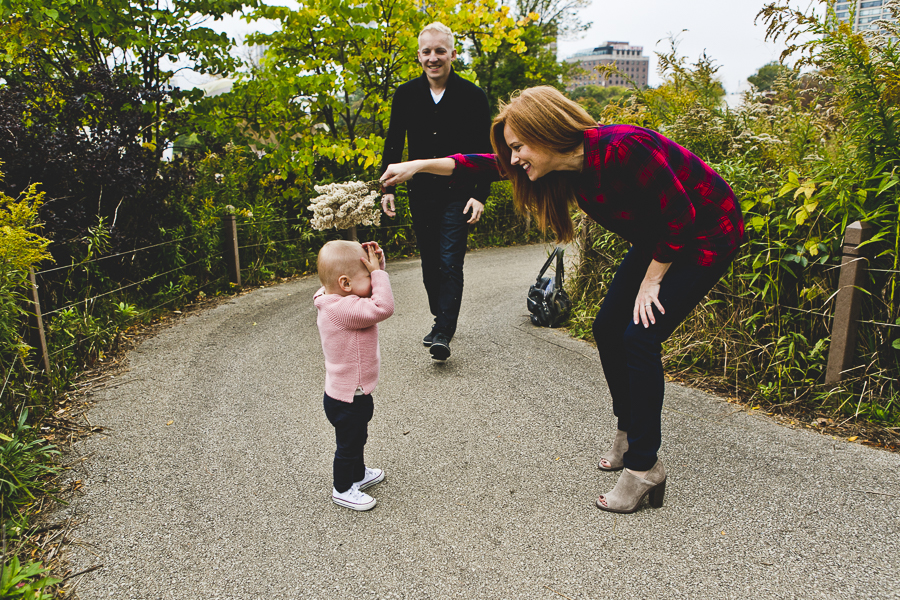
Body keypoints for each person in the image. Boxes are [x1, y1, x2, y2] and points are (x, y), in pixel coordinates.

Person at [380, 86, 746, 514]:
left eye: (519, 146)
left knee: (640, 337)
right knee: (607, 328)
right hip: (659, 237)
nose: (514, 158)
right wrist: (418, 165)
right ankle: (629, 433)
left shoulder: (627, 147)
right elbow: (483, 163)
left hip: (706, 233)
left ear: (545, 132)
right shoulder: (567, 169)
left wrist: (653, 281)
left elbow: (681, 214)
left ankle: (645, 467)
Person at [379, 21, 492, 362]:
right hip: (421, 193)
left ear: (452, 54)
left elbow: (486, 153)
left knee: (448, 261)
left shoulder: (473, 96)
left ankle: (444, 329)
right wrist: (387, 189)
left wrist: (480, 195)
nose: (433, 58)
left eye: (440, 51)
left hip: (459, 191)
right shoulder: (406, 95)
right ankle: (440, 315)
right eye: (427, 51)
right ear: (418, 56)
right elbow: (394, 141)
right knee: (430, 262)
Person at [314, 240, 395, 511]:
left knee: (358, 437)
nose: (373, 282)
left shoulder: (335, 297)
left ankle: (358, 475)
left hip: (352, 394)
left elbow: (366, 293)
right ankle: (342, 489)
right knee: (348, 445)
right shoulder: (343, 309)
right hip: (348, 398)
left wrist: (376, 266)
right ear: (346, 284)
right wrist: (380, 275)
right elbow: (383, 306)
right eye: (369, 276)